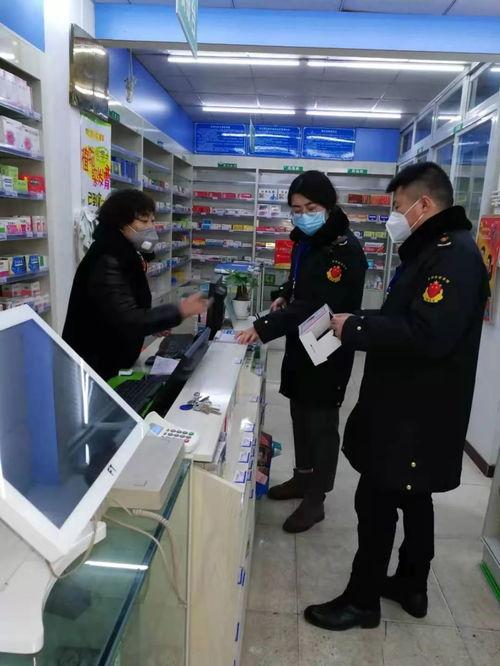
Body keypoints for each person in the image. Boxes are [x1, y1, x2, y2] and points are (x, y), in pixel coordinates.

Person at [304, 162, 489, 631]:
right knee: (415, 497)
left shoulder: (452, 257)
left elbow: (427, 335)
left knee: (376, 500)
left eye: (398, 206)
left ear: (423, 204)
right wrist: (363, 320)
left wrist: (357, 328)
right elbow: (409, 317)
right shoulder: (434, 250)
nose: (395, 216)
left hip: (413, 413)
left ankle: (362, 600)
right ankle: (411, 583)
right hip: (417, 407)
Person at [236, 171, 367, 533]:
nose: (303, 215)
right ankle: (302, 476)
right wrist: (283, 293)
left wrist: (262, 328)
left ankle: (316, 499)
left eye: (311, 208)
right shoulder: (307, 240)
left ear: (328, 206)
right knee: (299, 412)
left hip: (328, 345)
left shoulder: (343, 251)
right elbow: (299, 283)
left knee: (321, 422)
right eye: (296, 209)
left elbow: (316, 304)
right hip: (301, 341)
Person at [63, 189, 207, 380]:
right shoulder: (106, 259)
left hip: (108, 361)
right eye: (144, 221)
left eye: (152, 221)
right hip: (91, 370)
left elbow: (123, 307)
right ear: (120, 222)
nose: (151, 227)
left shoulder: (124, 254)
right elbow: (127, 319)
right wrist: (179, 311)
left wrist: (155, 323)